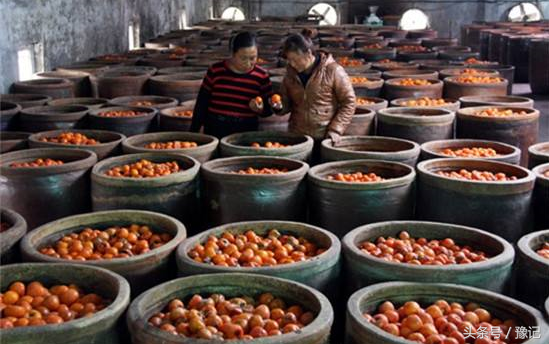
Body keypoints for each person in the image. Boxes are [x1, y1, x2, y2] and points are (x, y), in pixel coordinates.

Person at [272, 29, 356, 145]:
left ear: (308, 53)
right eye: (289, 60)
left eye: (295, 60)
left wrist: (336, 129)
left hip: (324, 136)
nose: (292, 64)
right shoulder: (290, 75)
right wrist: (279, 106)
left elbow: (349, 102)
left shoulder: (333, 71)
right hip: (299, 137)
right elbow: (286, 103)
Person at [190, 31, 273, 138]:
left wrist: (260, 109)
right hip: (215, 127)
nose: (248, 63)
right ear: (233, 54)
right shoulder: (216, 71)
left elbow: (269, 109)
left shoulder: (261, 76)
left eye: (253, 58)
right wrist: (194, 131)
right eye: (243, 58)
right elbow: (202, 102)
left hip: (245, 131)